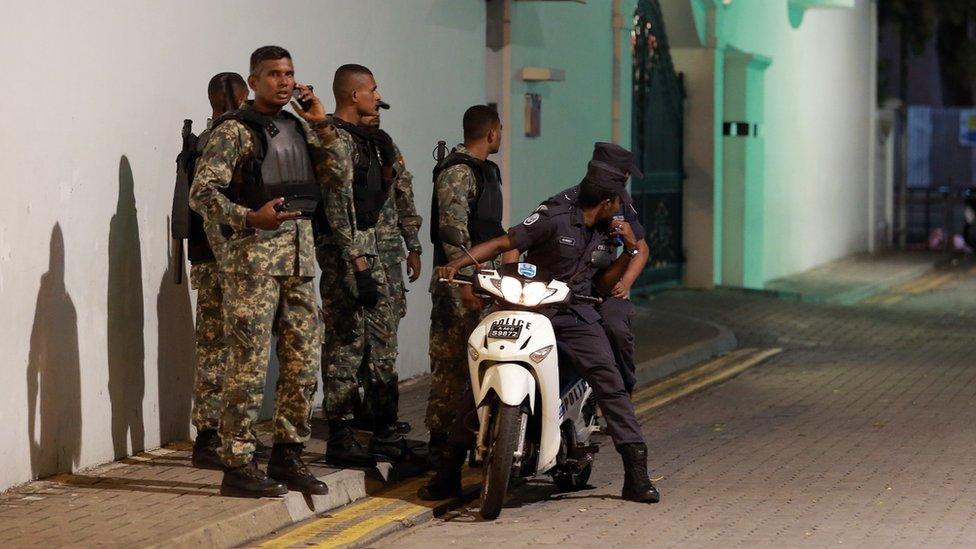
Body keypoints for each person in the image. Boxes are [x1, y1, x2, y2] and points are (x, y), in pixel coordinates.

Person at [420, 159, 661, 504]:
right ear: (606, 201)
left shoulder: (612, 228)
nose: (623, 208)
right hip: (532, 304)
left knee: (610, 381)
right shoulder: (556, 214)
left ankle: (636, 476)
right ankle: (448, 475)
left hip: (576, 312)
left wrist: (630, 249)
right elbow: (505, 242)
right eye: (618, 201)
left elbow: (607, 280)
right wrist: (459, 264)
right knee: (479, 379)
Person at [190, 45, 350, 497]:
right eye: (274, 74)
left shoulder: (298, 127)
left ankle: (288, 452)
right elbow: (202, 196)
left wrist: (320, 121)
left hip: (299, 262)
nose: (283, 81)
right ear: (254, 80)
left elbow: (338, 176)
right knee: (248, 367)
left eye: (290, 73)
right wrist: (248, 218)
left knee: (302, 362)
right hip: (252, 265)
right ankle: (237, 462)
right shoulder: (234, 132)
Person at [317, 64, 400, 467]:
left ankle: (383, 427)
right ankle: (341, 432)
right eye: (372, 89)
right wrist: (357, 261)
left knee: (380, 339)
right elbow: (337, 207)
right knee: (345, 343)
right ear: (355, 95)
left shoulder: (367, 140)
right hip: (345, 252)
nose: (376, 95)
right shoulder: (336, 141)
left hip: (370, 248)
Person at [424, 105, 516, 464]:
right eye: (501, 131)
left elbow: (489, 227)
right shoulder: (457, 172)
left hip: (486, 283)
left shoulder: (487, 171)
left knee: (481, 363)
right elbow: (454, 234)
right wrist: (465, 282)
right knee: (451, 365)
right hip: (459, 285)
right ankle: (440, 440)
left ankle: (477, 437)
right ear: (492, 133)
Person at [537, 142, 650, 393]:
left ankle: (622, 392)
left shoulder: (622, 207)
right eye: (625, 174)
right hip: (566, 291)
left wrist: (626, 282)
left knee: (617, 328)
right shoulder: (565, 203)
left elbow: (641, 249)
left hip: (605, 287)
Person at [186, 72, 251, 469]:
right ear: (240, 97)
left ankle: (217, 435)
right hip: (223, 259)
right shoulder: (225, 139)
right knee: (220, 349)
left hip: (213, 259)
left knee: (220, 347)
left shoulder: (203, 140)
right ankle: (210, 437)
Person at [354, 112, 422, 434]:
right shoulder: (347, 148)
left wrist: (414, 246)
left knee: (387, 332)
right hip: (359, 256)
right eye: (370, 110)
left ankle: (380, 412)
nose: (377, 116)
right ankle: (356, 411)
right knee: (356, 337)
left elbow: (404, 197)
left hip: (390, 255)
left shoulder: (387, 149)